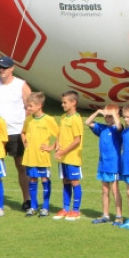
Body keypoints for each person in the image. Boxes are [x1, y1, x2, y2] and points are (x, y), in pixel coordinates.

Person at [0, 56, 31, 211]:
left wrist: (27, 130)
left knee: (21, 166)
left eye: (4, 67)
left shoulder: (21, 85)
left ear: (12, 68)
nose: (1, 70)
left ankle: (27, 199)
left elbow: (30, 107)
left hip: (16, 131)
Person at [21, 92, 58, 217]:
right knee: (32, 179)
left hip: (42, 157)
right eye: (27, 106)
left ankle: (45, 207)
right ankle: (33, 206)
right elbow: (23, 132)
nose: (28, 108)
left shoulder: (48, 120)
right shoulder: (29, 119)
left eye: (30, 106)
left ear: (39, 106)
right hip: (30, 156)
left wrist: (51, 147)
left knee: (44, 179)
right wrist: (25, 142)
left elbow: (60, 135)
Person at [86, 105, 122, 224]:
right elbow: (87, 122)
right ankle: (105, 214)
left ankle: (119, 216)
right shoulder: (102, 128)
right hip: (103, 164)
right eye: (106, 116)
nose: (107, 118)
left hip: (114, 164)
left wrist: (114, 114)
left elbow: (118, 126)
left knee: (115, 190)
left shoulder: (117, 129)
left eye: (110, 116)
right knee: (104, 190)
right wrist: (98, 111)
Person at [53, 91, 84, 221]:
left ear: (73, 102)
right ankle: (66, 208)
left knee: (74, 182)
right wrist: (57, 146)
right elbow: (60, 135)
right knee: (65, 181)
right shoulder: (63, 117)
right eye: (62, 102)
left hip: (72, 157)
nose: (62, 104)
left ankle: (76, 210)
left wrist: (63, 151)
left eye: (65, 102)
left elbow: (77, 140)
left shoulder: (76, 119)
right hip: (63, 157)